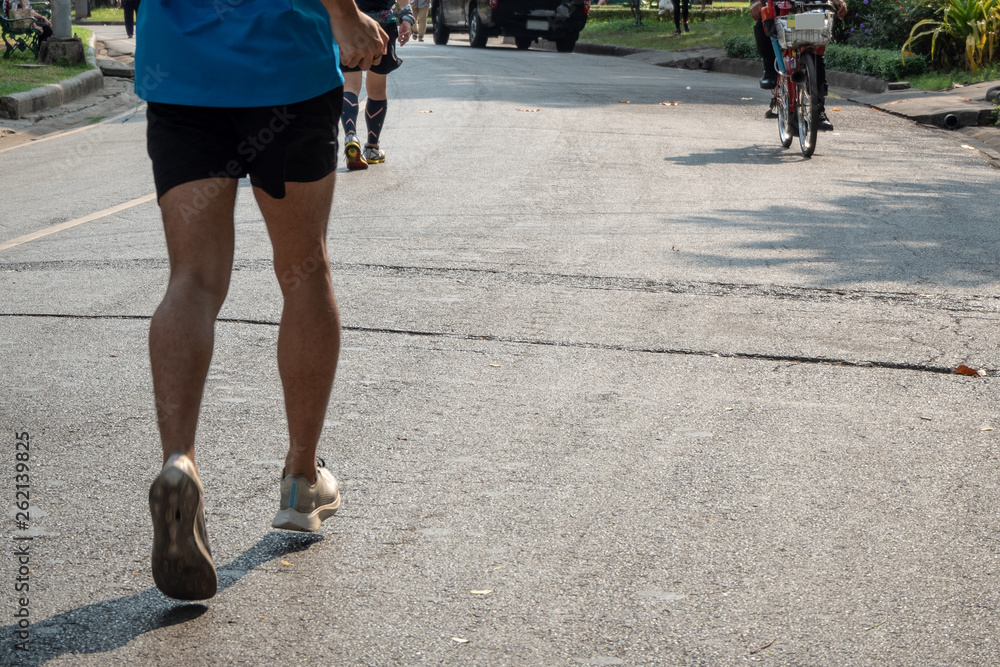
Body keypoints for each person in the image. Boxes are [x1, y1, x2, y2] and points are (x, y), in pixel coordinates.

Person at [133, 0, 388, 601]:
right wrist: (345, 12)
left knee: (190, 278)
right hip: (287, 71)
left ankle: (180, 460)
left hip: (183, 74)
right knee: (303, 271)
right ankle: (302, 480)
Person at [750, 0, 846, 131]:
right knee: (765, 21)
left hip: (808, 11)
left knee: (816, 51)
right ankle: (770, 70)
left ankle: (818, 112)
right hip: (783, 11)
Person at [340, 0, 414, 170]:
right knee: (377, 89)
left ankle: (351, 136)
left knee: (350, 86)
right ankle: (372, 148)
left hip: (352, 22)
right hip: (382, 25)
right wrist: (406, 19)